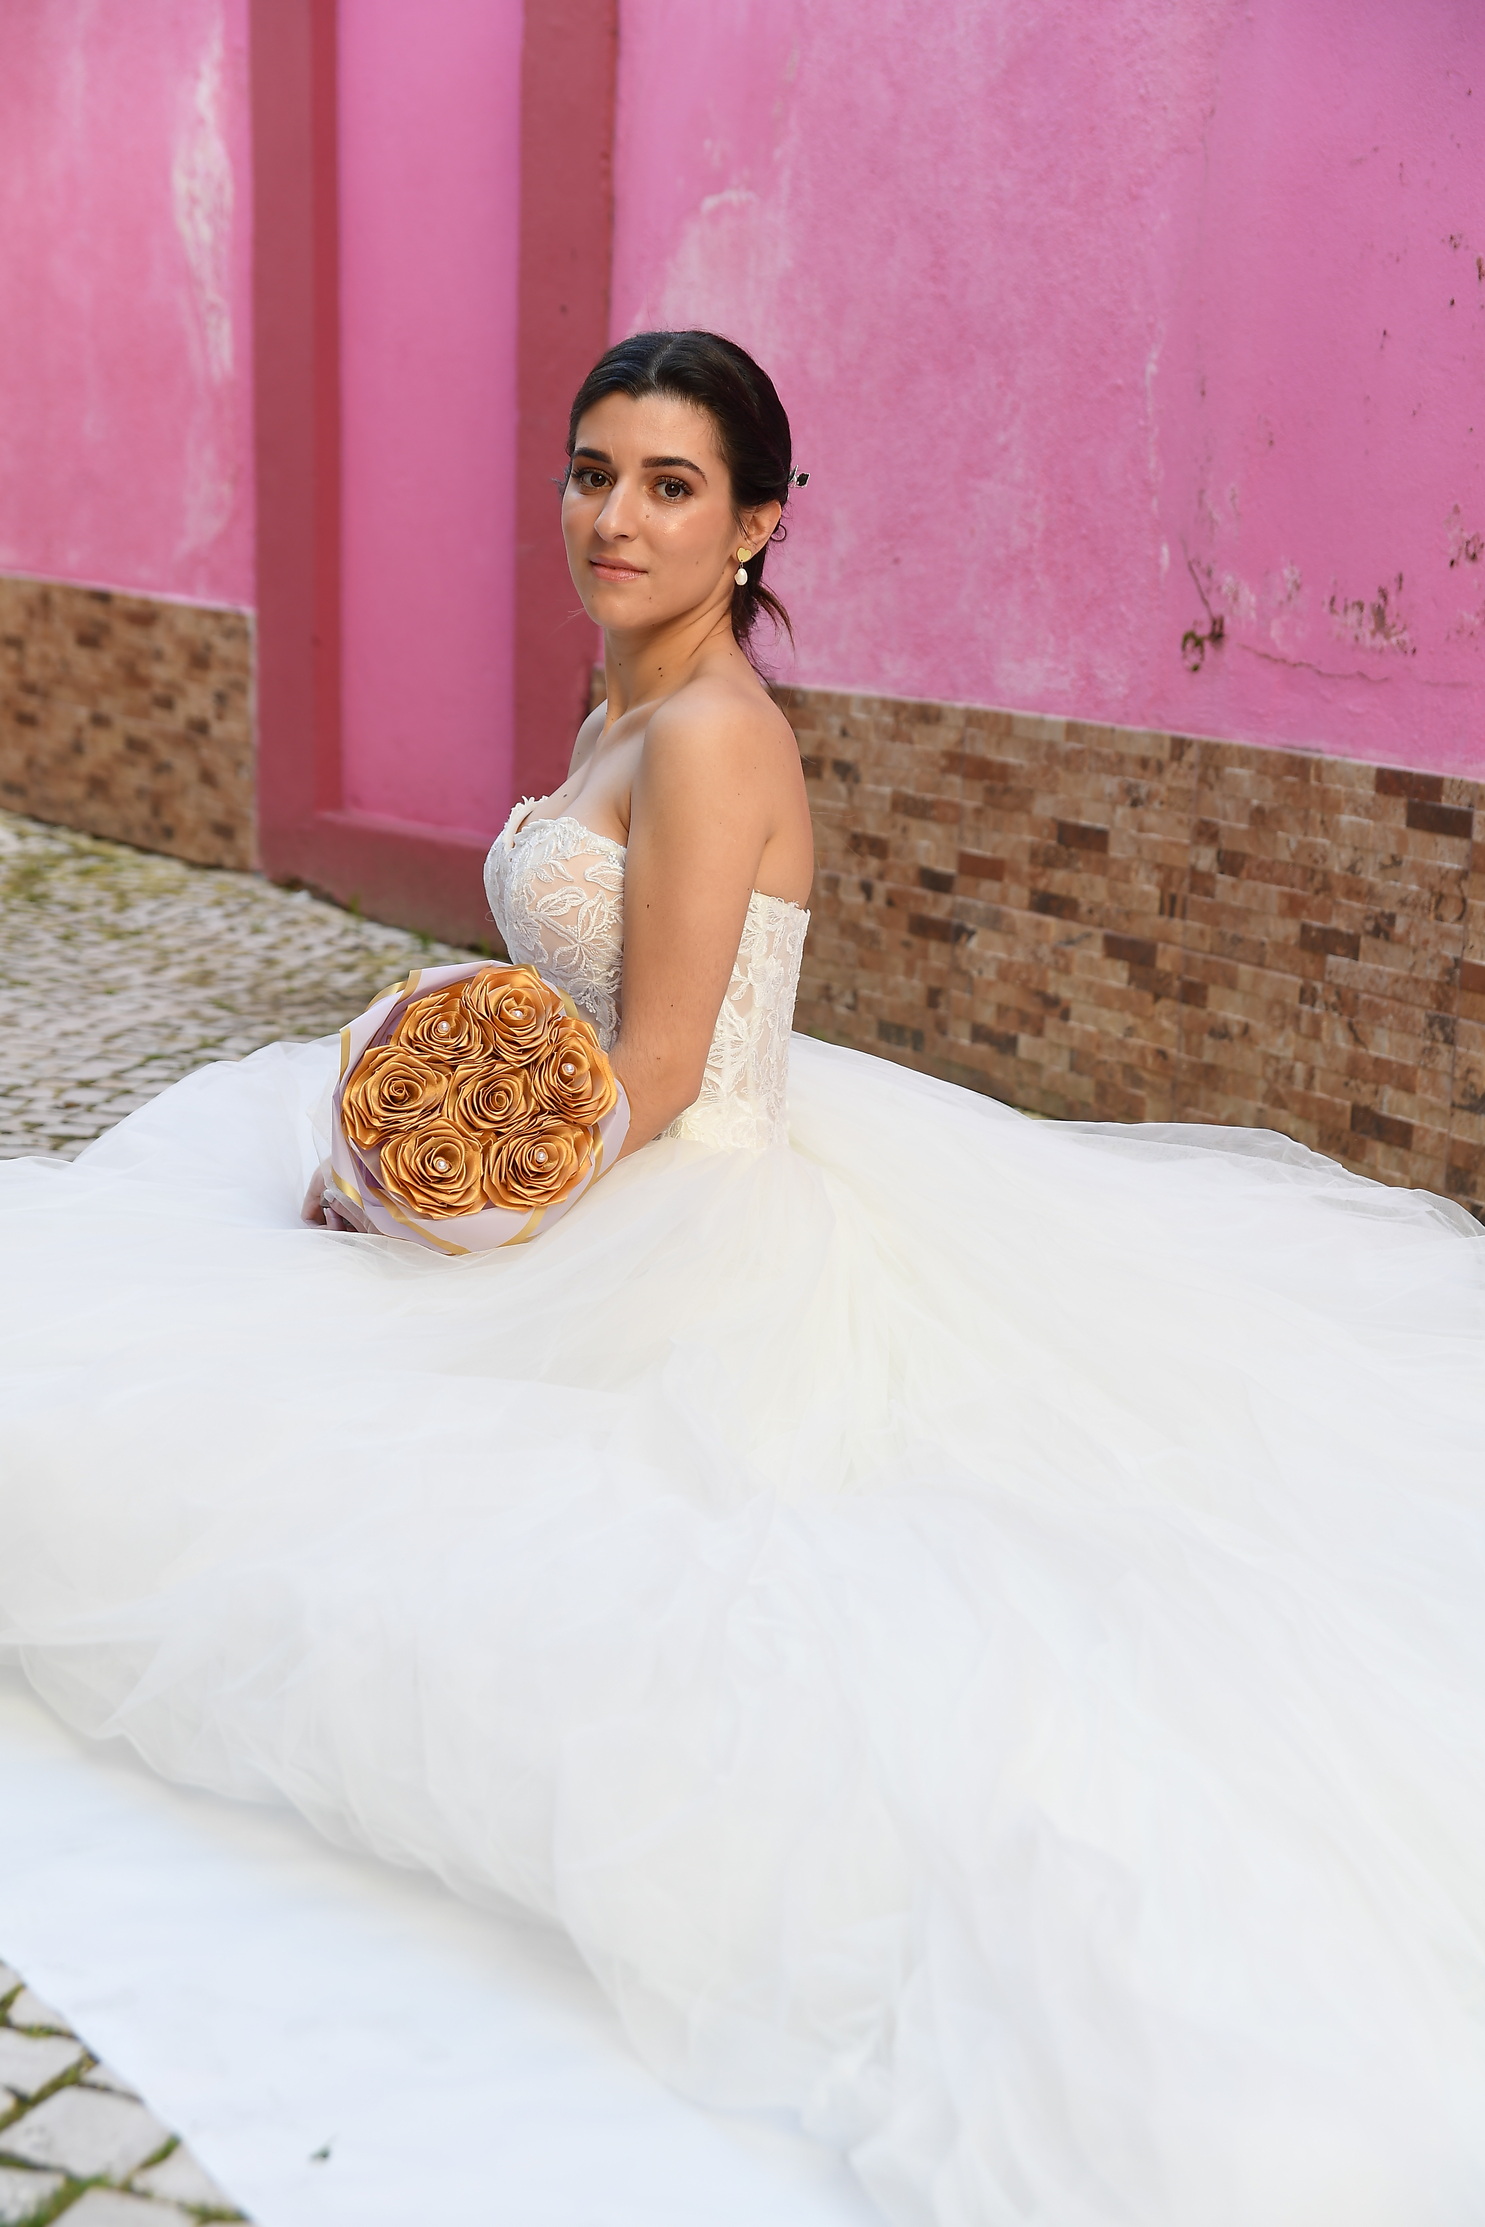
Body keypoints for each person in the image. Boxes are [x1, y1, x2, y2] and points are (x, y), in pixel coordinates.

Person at [2, 330, 1484, 2227]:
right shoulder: (628, 696)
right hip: (625, 1141)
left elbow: (657, 1065)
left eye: (670, 486)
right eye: (591, 472)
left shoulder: (709, 734)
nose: (613, 518)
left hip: (684, 1185)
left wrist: (421, 1200)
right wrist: (424, 1110)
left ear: (758, 521)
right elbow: (573, 995)